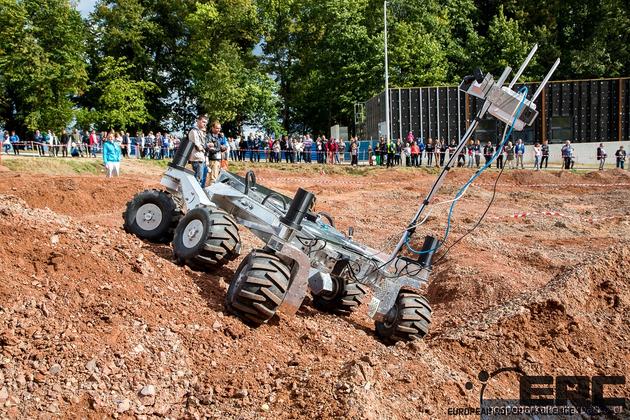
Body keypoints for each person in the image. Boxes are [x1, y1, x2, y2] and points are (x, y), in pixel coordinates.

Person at [188, 114, 208, 186]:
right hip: (197, 158)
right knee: (198, 180)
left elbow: (203, 145)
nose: (204, 124)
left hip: (201, 158)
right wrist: (204, 147)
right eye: (203, 122)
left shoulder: (200, 132)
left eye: (205, 122)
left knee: (201, 179)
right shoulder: (194, 131)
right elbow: (197, 146)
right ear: (198, 121)